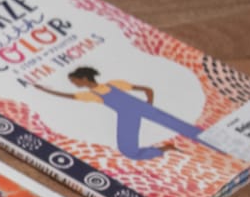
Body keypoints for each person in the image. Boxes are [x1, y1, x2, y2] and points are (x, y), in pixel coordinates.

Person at [29, 66, 206, 161]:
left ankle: (213, 143)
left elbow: (146, 88)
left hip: (141, 107)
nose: (74, 84)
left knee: (182, 126)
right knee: (129, 150)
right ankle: (164, 149)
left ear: (83, 78)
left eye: (75, 81)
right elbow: (67, 95)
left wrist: (149, 104)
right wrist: (44, 90)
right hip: (127, 115)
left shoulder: (114, 83)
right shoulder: (91, 95)